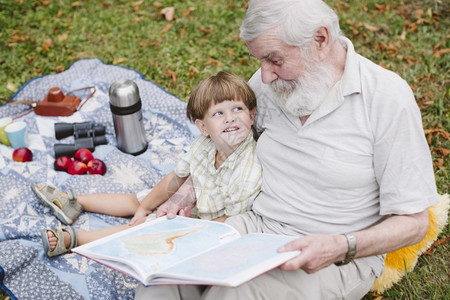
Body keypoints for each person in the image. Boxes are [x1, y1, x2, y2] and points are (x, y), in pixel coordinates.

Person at [134, 0, 438, 299]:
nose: (264, 77)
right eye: (260, 61)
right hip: (256, 225)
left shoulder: (386, 99)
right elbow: (225, 144)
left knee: (235, 295)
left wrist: (342, 245)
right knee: (163, 275)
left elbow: (414, 222)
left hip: (335, 254)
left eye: (275, 60)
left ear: (320, 39)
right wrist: (188, 190)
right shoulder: (269, 83)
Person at [33, 71, 262, 257]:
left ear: (251, 116)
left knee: (139, 230)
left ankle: (75, 239)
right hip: (190, 196)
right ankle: (76, 202)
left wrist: (176, 227)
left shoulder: (248, 172)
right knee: (137, 199)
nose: (230, 118)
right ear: (203, 128)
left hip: (200, 221)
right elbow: (176, 178)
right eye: (219, 113)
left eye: (238, 109)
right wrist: (145, 206)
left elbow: (228, 224)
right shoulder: (203, 145)